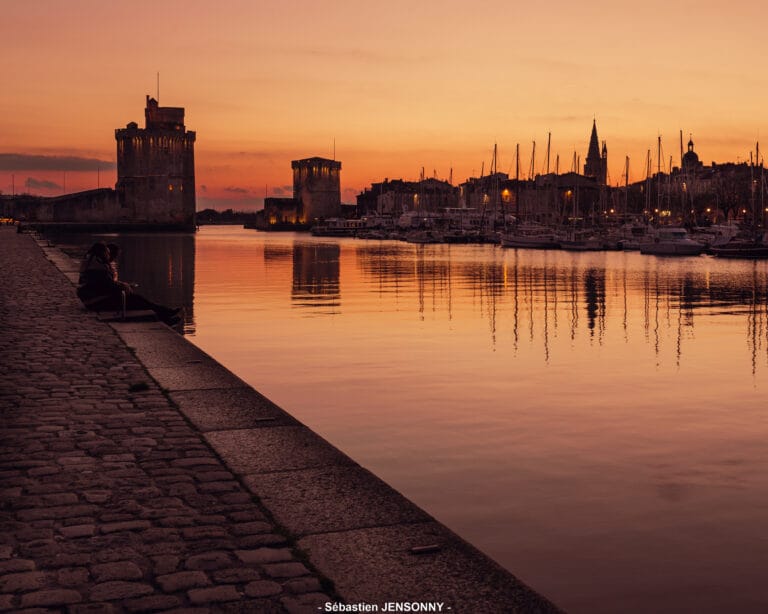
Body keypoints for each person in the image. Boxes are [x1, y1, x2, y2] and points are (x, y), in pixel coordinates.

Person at [77, 242, 181, 325]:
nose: (109, 255)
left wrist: (121, 285)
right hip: (95, 302)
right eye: (107, 253)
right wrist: (123, 286)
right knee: (138, 301)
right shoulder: (97, 267)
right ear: (102, 253)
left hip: (93, 299)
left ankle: (165, 316)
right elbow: (107, 286)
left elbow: (103, 284)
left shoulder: (92, 263)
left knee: (138, 300)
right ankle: (165, 314)